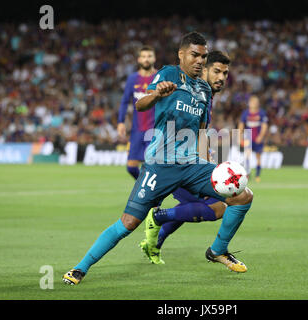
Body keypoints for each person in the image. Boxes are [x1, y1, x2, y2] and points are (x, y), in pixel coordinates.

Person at [62, 32, 253, 285]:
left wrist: (210, 163)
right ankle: (80, 268)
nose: (199, 61)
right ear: (181, 54)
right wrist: (157, 94)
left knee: (242, 196)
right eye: (195, 55)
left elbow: (202, 130)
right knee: (128, 223)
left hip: (191, 164)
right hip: (160, 164)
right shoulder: (167, 74)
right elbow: (141, 105)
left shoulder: (204, 89)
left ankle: (217, 251)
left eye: (203, 56)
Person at [138, 50, 232, 265]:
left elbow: (200, 134)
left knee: (190, 207)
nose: (222, 78)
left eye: (225, 73)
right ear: (203, 69)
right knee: (217, 207)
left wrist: (207, 161)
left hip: (184, 160)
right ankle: (158, 218)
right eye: (216, 71)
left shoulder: (204, 94)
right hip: (169, 161)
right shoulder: (189, 88)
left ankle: (155, 242)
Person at [117, 46, 157, 179]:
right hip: (137, 130)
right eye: (144, 56)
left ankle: (149, 194)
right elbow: (124, 101)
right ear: (139, 59)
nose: (146, 59)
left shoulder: (159, 77)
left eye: (149, 56)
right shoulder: (132, 79)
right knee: (131, 167)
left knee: (153, 166)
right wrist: (121, 122)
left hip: (155, 130)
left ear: (154, 58)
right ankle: (146, 189)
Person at [238, 95, 268, 182]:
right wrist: (240, 137)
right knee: (247, 155)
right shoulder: (246, 113)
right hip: (248, 136)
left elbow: (264, 126)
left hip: (258, 137)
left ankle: (257, 175)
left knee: (258, 156)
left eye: (255, 102)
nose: (253, 104)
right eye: (252, 102)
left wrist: (261, 136)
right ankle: (247, 174)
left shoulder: (261, 113)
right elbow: (241, 125)